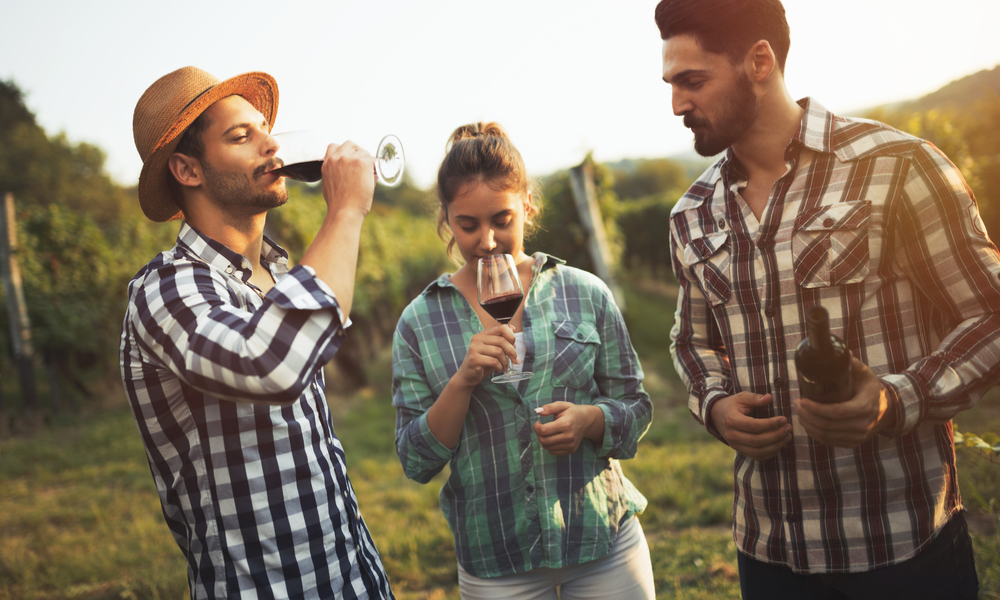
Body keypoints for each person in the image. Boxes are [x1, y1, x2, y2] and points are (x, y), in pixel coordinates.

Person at [656, 0, 999, 598]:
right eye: (671, 84)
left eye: (693, 80)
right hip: (766, 552)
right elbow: (691, 341)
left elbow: (990, 315)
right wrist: (714, 405)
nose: (677, 104)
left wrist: (896, 400)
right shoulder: (691, 214)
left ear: (759, 62)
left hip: (901, 546)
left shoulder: (897, 169)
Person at [121, 66, 394, 599]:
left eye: (264, 129)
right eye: (241, 137)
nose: (271, 145)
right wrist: (345, 212)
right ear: (187, 169)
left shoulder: (284, 277)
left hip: (351, 576)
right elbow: (269, 365)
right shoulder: (164, 291)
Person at [391, 122, 655, 599]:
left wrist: (591, 420)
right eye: (468, 225)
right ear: (446, 220)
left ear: (527, 204)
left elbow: (635, 408)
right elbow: (415, 460)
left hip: (601, 538)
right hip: (497, 561)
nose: (487, 241)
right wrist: (463, 381)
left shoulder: (583, 292)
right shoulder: (419, 321)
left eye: (502, 220)